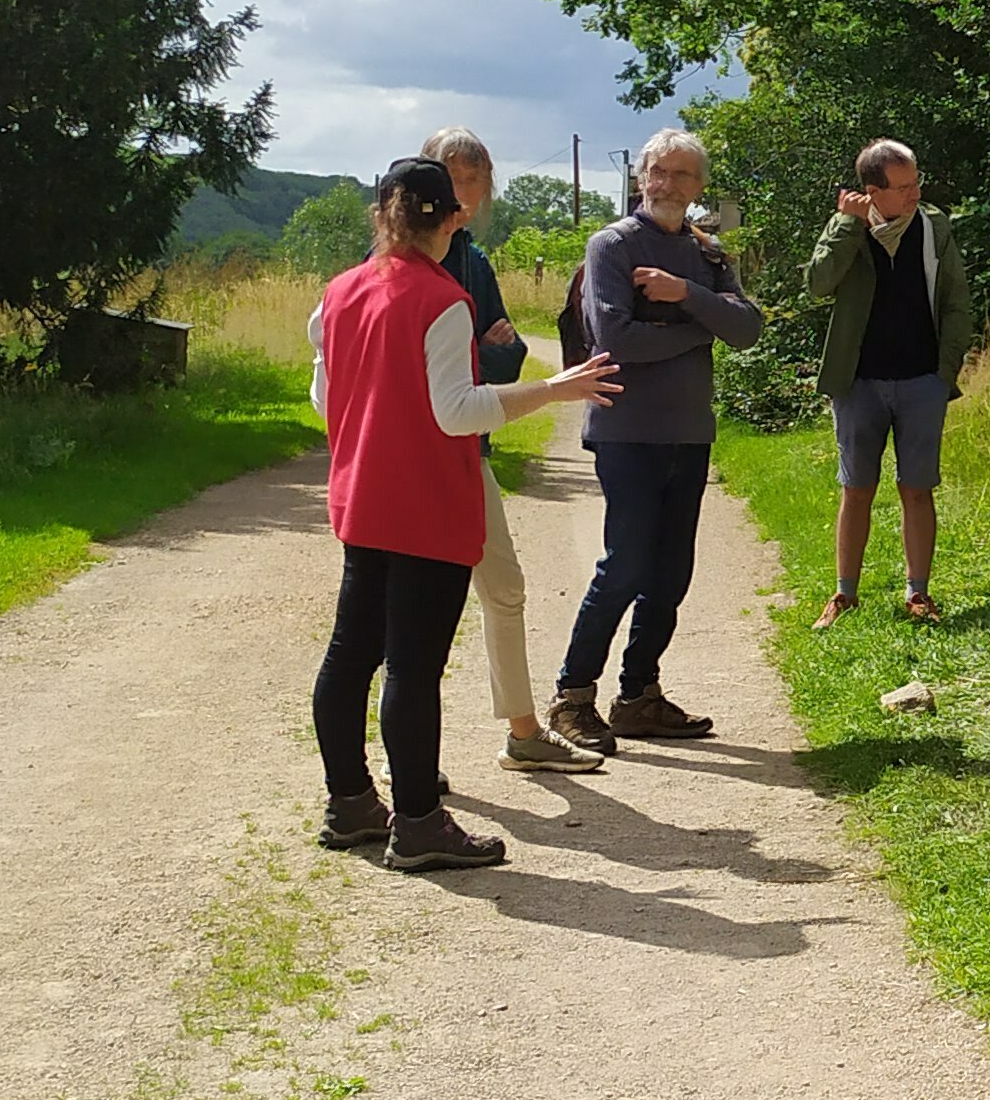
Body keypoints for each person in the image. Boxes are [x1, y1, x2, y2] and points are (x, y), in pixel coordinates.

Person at [309, 158, 618, 868]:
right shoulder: (443, 298)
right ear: (450, 218)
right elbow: (457, 412)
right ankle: (418, 823)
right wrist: (554, 390)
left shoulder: (340, 292)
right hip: (426, 506)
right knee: (413, 667)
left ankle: (350, 801)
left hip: (362, 498)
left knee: (351, 652)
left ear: (382, 214)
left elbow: (328, 400)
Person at [549, 127, 766, 753]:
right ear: (641, 178)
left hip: (688, 432)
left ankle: (638, 696)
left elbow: (748, 327)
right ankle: (572, 696)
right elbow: (616, 341)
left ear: (700, 186)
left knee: (671, 573)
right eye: (659, 173)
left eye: (683, 175)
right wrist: (702, 327)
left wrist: (685, 296)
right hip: (627, 431)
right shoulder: (611, 247)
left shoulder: (708, 254)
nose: (669, 184)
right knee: (626, 566)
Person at [417, 127, 604, 774]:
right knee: (415, 611)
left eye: (475, 181)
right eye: (453, 178)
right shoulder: (402, 261)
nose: (465, 194)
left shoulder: (473, 261)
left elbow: (506, 354)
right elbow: (426, 367)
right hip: (415, 463)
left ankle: (524, 733)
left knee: (504, 589)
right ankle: (406, 753)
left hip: (471, 451)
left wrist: (490, 353)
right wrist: (484, 351)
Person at [802, 137, 972, 628]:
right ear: (872, 191)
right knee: (857, 488)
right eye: (902, 187)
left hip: (923, 380)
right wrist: (846, 225)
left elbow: (957, 300)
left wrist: (946, 373)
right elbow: (818, 284)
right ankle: (844, 596)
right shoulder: (848, 229)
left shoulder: (934, 226)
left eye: (916, 181)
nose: (914, 194)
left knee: (917, 488)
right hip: (858, 383)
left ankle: (918, 593)